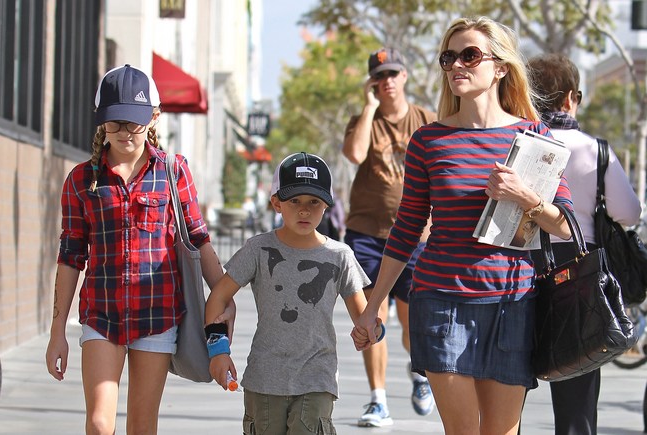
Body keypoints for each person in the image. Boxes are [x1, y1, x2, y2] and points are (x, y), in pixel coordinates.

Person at [351, 16, 574, 435]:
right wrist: (372, 308)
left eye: (470, 55)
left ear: (501, 67)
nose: (457, 65)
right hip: (440, 300)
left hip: (513, 301)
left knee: (501, 432)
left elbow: (564, 224)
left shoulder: (534, 135)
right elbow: (407, 227)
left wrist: (524, 196)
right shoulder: (430, 141)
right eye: (448, 57)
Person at [44, 64, 234, 434]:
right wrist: (56, 332)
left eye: (134, 122)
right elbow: (70, 257)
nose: (125, 133)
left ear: (154, 117)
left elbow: (198, 238)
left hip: (157, 315)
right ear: (101, 122)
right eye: (114, 123)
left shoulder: (173, 170)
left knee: (142, 425)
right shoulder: (82, 180)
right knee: (99, 424)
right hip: (101, 314)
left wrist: (224, 293)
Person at [204, 152, 379, 435]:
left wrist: (372, 330)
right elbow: (218, 297)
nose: (304, 210)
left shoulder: (339, 256)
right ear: (276, 202)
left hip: (316, 378)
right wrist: (218, 351)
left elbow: (366, 317)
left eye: (314, 202)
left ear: (327, 206)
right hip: (264, 380)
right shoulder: (258, 249)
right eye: (294, 200)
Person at [526, 53, 641, 435]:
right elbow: (629, 214)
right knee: (577, 395)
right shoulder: (595, 150)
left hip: (520, 269)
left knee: (506, 391)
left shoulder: (519, 142)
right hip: (579, 273)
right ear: (572, 98)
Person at [343, 46, 437, 427]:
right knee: (373, 315)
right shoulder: (362, 119)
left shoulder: (426, 120)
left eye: (393, 74)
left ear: (405, 77)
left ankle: (418, 373)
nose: (387, 83)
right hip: (367, 234)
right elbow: (355, 153)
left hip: (416, 236)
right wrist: (368, 108)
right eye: (379, 77)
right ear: (372, 83)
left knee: (412, 322)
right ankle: (378, 399)